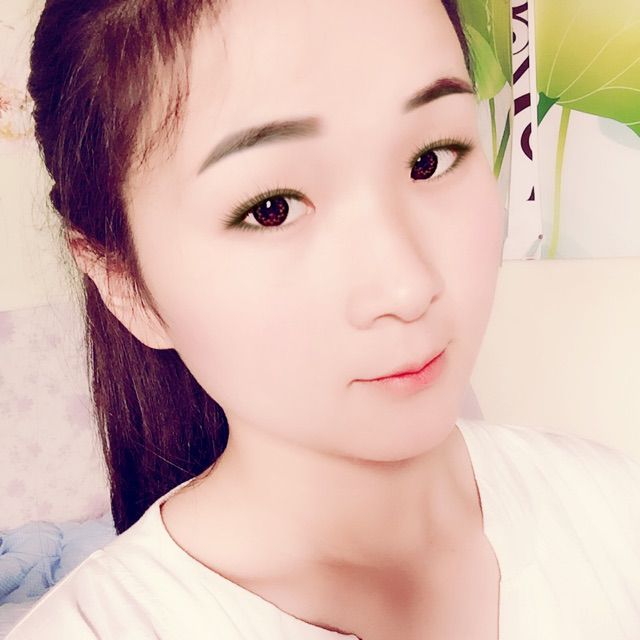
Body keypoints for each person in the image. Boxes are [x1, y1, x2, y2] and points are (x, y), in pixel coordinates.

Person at [8, 0, 640, 638]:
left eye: (430, 158)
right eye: (274, 208)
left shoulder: (612, 508)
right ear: (125, 284)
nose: (408, 287)